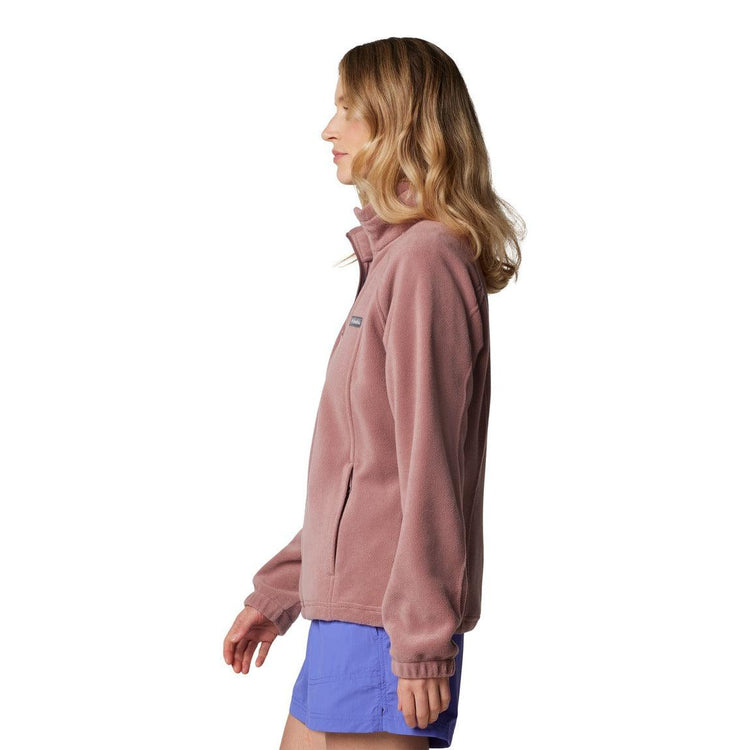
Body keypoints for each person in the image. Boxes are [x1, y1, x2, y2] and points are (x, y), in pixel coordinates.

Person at [223, 37, 524, 749]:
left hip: (387, 622)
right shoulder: (394, 261)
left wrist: (421, 640)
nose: (328, 130)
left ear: (399, 124)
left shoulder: (425, 262)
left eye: (348, 110)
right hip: (348, 614)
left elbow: (430, 469)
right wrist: (285, 587)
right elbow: (360, 471)